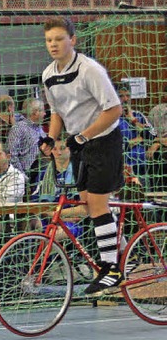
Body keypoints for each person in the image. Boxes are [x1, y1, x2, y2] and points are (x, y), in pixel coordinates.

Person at [39, 16, 124, 295]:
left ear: (72, 41)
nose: (53, 44)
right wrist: (51, 137)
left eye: (59, 39)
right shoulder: (48, 74)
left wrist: (84, 136)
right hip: (79, 143)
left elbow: (114, 110)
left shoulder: (90, 70)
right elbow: (56, 113)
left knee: (97, 205)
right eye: (49, 40)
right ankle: (120, 243)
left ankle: (111, 269)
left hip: (103, 139)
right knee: (88, 202)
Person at [117, 83, 154, 179]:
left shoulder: (138, 115)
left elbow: (151, 136)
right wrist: (136, 140)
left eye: (128, 95)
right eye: (121, 96)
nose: (125, 99)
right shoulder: (111, 119)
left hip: (141, 165)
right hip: (119, 165)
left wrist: (132, 119)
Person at [7, 97, 46, 182]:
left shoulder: (40, 129)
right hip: (27, 176)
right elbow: (12, 155)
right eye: (43, 111)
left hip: (42, 173)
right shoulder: (18, 128)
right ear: (35, 112)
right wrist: (23, 177)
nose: (45, 114)